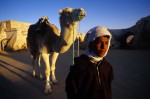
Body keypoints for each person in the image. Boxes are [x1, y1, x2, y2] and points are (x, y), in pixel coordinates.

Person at [65, 26, 114, 99]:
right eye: (99, 42)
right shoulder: (79, 66)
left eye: (106, 43)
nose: (103, 47)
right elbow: (71, 90)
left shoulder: (107, 67)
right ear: (91, 44)